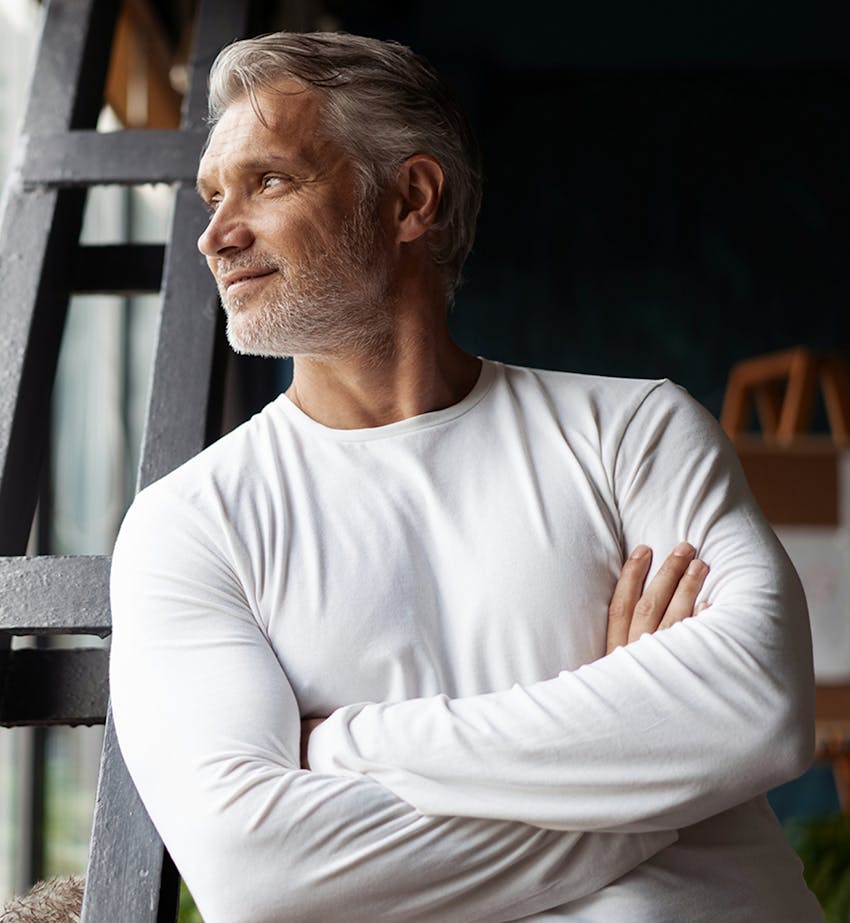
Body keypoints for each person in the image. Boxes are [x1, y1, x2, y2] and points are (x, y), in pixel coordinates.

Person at [108, 30, 823, 922]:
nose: (217, 234)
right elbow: (255, 872)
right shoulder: (189, 523)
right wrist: (649, 788)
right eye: (213, 195)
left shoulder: (634, 430)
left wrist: (349, 744)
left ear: (411, 198)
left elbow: (760, 707)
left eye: (269, 181)